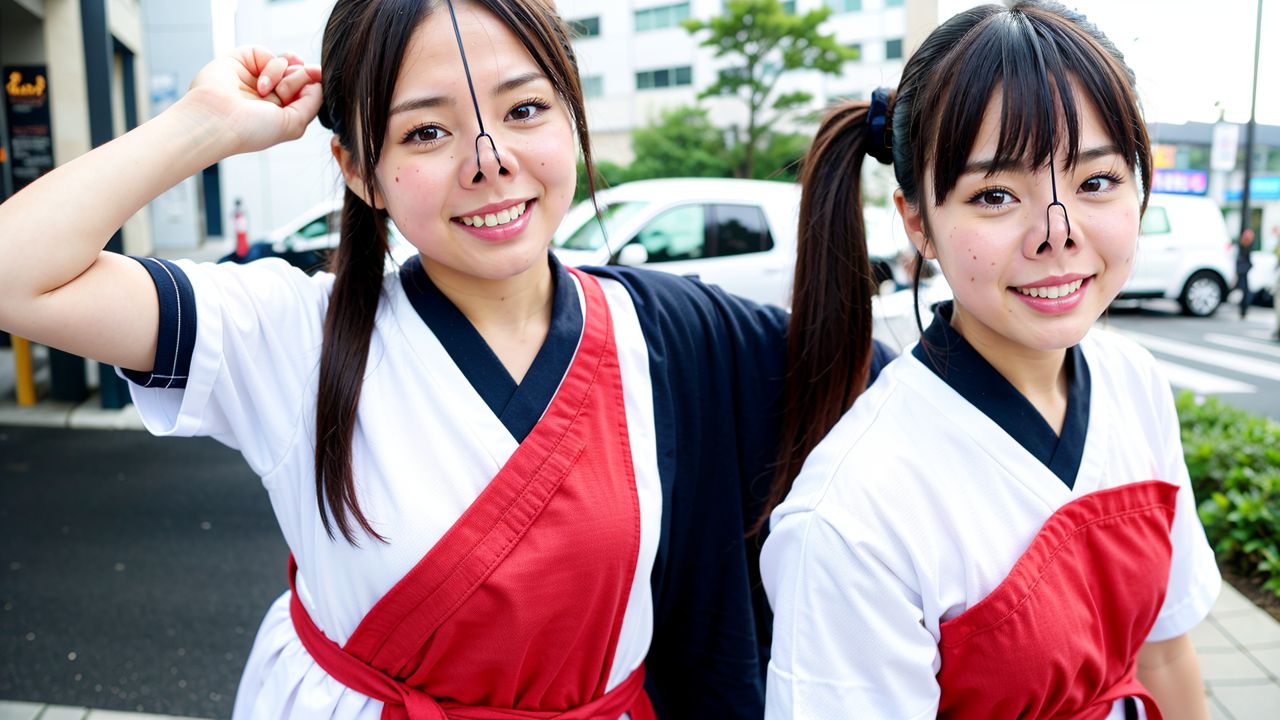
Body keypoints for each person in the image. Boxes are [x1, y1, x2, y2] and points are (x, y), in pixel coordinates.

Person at [0, 0, 883, 716]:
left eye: (525, 110)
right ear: (357, 168)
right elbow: (17, 275)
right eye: (426, 133)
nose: (490, 163)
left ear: (571, 119)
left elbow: (882, 390)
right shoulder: (289, 336)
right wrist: (204, 125)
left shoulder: (672, 336)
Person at [759, 2, 1221, 719]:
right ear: (919, 221)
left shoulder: (1135, 382)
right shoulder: (852, 515)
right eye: (996, 194)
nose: (1057, 234)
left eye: (1095, 181)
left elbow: (1164, 651)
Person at [1237, 227, 1255, 320]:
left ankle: (1243, 311)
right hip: (1243, 271)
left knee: (1244, 292)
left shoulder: (1243, 245)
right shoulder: (1245, 246)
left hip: (1243, 271)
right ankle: (1243, 311)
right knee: (1245, 292)